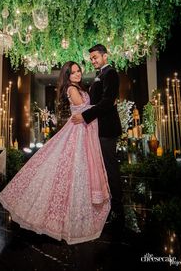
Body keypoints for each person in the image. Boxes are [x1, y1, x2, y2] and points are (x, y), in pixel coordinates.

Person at [0, 61, 110, 245]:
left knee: (80, 169)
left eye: (78, 71)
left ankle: (80, 210)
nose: (77, 74)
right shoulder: (72, 90)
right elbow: (83, 109)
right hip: (78, 132)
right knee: (73, 167)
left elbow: (87, 111)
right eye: (73, 72)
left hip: (84, 130)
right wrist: (105, 102)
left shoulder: (79, 88)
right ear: (67, 76)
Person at [71, 44, 124, 227]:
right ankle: (108, 207)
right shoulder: (100, 75)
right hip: (97, 129)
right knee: (102, 170)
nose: (93, 60)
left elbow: (107, 102)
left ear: (105, 56)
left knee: (110, 169)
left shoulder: (110, 74)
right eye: (91, 58)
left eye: (95, 57)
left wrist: (84, 116)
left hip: (107, 130)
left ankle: (118, 211)